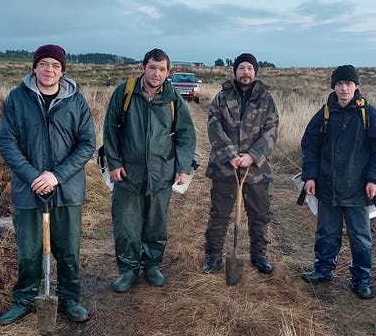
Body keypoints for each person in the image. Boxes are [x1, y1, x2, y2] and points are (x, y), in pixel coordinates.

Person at [0, 44, 96, 324]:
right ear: (34, 67)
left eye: (55, 65)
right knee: (28, 250)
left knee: (68, 250)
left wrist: (56, 176)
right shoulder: (17, 99)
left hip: (67, 190)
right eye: (44, 64)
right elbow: (7, 141)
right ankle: (25, 299)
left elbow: (87, 143)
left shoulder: (76, 101)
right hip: (28, 190)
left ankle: (69, 299)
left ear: (62, 70)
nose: (49, 70)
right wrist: (33, 176)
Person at [103, 48, 196, 292]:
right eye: (152, 67)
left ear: (168, 72)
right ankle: (127, 270)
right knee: (126, 224)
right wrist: (114, 163)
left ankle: (152, 265)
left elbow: (186, 135)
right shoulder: (125, 92)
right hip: (127, 173)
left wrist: (182, 167)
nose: (156, 73)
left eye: (162, 69)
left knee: (156, 223)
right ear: (143, 67)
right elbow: (110, 129)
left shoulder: (173, 98)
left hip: (161, 172)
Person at [299, 64, 376, 299]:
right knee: (326, 233)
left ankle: (362, 280)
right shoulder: (325, 113)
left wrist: (374, 180)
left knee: (360, 238)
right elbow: (309, 145)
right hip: (327, 187)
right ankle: (323, 270)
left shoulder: (368, 114)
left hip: (357, 190)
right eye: (339, 84)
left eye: (348, 84)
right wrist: (310, 175)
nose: (343, 88)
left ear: (356, 86)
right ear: (334, 87)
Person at [202, 53, 279, 275]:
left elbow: (271, 130)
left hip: (256, 170)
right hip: (225, 168)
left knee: (259, 215)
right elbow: (213, 127)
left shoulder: (266, 99)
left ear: (255, 72)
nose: (246, 72)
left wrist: (253, 155)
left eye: (249, 68)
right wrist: (231, 155)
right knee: (220, 214)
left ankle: (259, 256)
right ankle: (213, 256)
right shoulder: (222, 97)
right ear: (235, 71)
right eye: (242, 68)